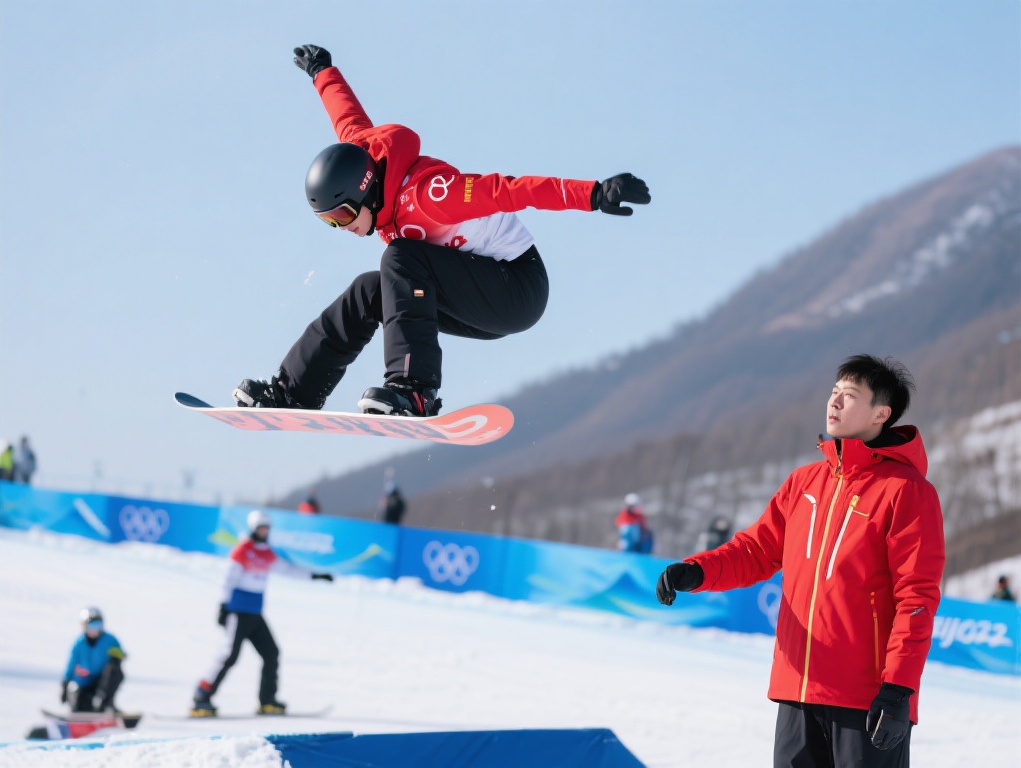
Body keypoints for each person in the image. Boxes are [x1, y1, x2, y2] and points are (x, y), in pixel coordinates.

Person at [233, 44, 650, 418]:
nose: (341, 228)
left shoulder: (432, 195)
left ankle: (415, 391)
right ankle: (292, 392)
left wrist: (594, 193)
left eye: (341, 216)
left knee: (400, 257)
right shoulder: (365, 156)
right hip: (468, 287)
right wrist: (322, 72)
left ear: (365, 190)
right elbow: (347, 119)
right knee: (369, 290)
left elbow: (511, 190)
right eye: (328, 222)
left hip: (518, 289)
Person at [656, 355, 945, 768]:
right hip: (798, 691)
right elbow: (755, 550)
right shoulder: (804, 483)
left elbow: (916, 595)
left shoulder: (907, 491)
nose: (835, 403)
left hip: (867, 700)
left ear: (882, 413)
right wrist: (698, 570)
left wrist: (899, 687)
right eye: (834, 392)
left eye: (850, 396)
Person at [191, 510, 334, 716]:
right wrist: (223, 606)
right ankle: (201, 695)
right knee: (229, 655)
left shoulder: (267, 553)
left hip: (255, 614)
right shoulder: (243, 550)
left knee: (271, 653)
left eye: (267, 528)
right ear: (252, 528)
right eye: (261, 528)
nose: (264, 531)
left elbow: (288, 570)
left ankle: (267, 701)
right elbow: (228, 579)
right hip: (237, 612)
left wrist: (315, 575)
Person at [61, 607, 127, 713]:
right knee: (79, 701)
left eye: (97, 626)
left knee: (114, 671)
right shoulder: (79, 644)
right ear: (84, 626)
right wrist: (65, 683)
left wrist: (117, 658)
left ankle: (105, 705)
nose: (94, 630)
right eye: (91, 626)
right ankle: (82, 714)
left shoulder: (110, 640)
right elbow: (71, 665)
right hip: (86, 681)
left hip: (103, 682)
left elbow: (121, 654)